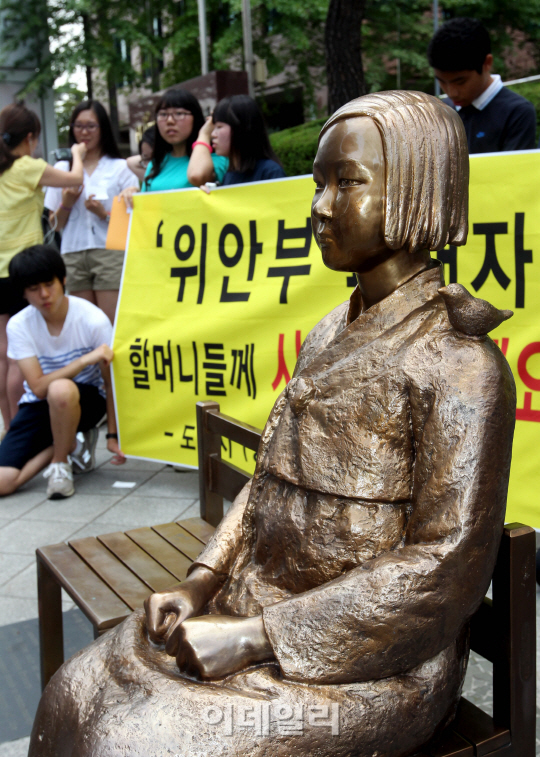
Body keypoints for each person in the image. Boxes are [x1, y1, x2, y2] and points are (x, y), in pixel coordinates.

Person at [29, 92, 515, 757]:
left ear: (414, 190)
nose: (319, 205)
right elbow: (266, 485)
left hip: (372, 662)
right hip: (249, 604)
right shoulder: (325, 331)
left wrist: (256, 636)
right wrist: (199, 582)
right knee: (72, 694)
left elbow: (445, 565)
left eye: (346, 183)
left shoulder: (461, 364)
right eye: (319, 183)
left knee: (125, 740)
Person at [0, 245, 125, 500]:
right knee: (3, 483)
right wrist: (83, 361)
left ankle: (60, 464)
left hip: (86, 401)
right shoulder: (19, 325)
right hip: (39, 404)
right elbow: (36, 388)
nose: (44, 294)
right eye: (34, 289)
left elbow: (111, 383)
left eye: (49, 284)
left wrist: (113, 436)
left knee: (61, 389)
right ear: (23, 293)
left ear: (63, 280)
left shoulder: (92, 319)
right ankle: (68, 443)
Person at [0, 102, 86, 434]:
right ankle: (21, 426)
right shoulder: (25, 166)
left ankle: (8, 429)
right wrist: (76, 152)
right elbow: (75, 178)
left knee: (3, 353)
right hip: (22, 269)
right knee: (20, 355)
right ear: (31, 137)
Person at [44, 100, 137, 324]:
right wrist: (66, 202)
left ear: (102, 128)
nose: (84, 132)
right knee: (83, 323)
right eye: (78, 126)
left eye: (91, 126)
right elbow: (55, 225)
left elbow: (133, 219)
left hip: (109, 251)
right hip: (72, 252)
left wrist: (102, 213)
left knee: (109, 323)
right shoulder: (62, 170)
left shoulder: (120, 167)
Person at [428, 17, 536, 154]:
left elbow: (514, 173)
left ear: (487, 63)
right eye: (442, 81)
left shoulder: (517, 112)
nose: (452, 92)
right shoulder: (441, 113)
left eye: (460, 82)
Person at [120, 88, 228, 207]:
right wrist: (134, 195)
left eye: (179, 114)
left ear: (195, 117)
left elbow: (197, 176)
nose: (170, 121)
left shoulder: (216, 159)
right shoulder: (156, 163)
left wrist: (204, 133)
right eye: (163, 114)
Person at [210, 95, 286, 185]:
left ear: (241, 129)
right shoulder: (229, 175)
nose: (213, 134)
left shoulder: (271, 172)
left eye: (219, 127)